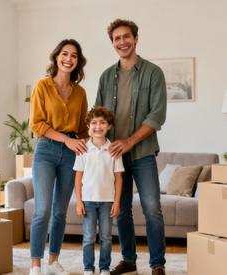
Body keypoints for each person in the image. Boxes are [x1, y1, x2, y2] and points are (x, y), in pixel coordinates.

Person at [96, 19, 168, 275]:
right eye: (117, 38)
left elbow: (157, 115)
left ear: (135, 39)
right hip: (114, 157)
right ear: (112, 43)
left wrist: (129, 142)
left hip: (143, 153)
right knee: (121, 210)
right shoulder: (106, 76)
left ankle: (157, 264)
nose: (122, 42)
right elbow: (98, 115)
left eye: (126, 36)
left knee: (152, 208)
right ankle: (129, 260)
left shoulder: (153, 73)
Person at [28, 39, 89, 275]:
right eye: (65, 54)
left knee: (60, 211)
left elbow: (82, 129)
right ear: (56, 57)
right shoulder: (42, 86)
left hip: (71, 154)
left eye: (74, 56)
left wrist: (87, 142)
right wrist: (66, 139)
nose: (68, 59)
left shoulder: (80, 92)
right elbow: (37, 124)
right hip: (46, 150)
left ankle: (53, 262)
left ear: (78, 62)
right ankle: (35, 265)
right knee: (42, 209)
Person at [74, 106, 124, 275]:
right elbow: (78, 177)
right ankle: (88, 268)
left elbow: (118, 178)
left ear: (109, 126)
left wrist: (116, 202)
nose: (98, 126)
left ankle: (104, 268)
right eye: (94, 123)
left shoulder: (114, 150)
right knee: (88, 238)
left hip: (107, 202)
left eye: (102, 122)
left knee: (106, 238)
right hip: (87, 201)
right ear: (88, 126)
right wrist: (79, 201)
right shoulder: (82, 149)